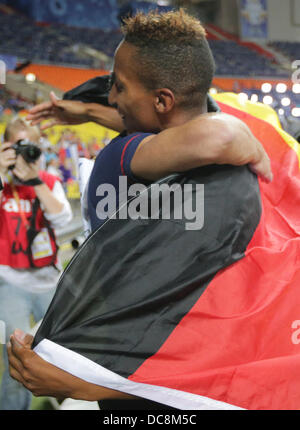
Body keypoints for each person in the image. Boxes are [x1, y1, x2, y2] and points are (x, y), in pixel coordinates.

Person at [7, 10, 272, 409]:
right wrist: (254, 146)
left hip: (130, 376)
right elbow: (209, 132)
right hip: (198, 379)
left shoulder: (120, 158)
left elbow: (216, 136)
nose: (112, 96)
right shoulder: (239, 184)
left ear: (163, 100)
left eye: (120, 87)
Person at [0, 117, 73, 410]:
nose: (24, 154)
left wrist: (35, 179)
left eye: (30, 147)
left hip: (48, 282)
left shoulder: (49, 180)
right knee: (15, 363)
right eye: (17, 147)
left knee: (64, 353)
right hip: (10, 281)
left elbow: (62, 218)